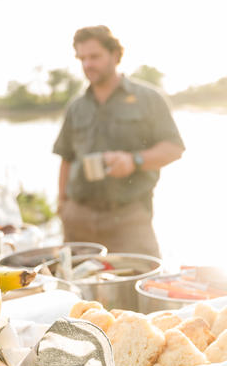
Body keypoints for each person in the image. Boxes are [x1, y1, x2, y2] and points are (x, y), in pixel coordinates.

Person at [52, 25, 185, 257]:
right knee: (74, 279)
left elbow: (174, 148)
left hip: (129, 218)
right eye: (82, 58)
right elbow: (66, 158)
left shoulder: (149, 99)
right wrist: (63, 205)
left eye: (94, 57)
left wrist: (133, 161)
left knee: (143, 277)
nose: (87, 64)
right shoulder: (76, 106)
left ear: (115, 55)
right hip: (78, 219)